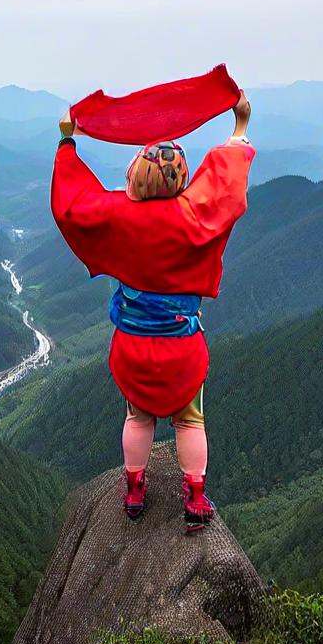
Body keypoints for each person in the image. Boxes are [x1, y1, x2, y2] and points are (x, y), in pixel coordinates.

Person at [54, 88, 252, 532]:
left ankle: (134, 490)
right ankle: (196, 499)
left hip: (134, 348)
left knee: (137, 416)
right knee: (190, 419)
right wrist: (239, 127)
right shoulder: (193, 217)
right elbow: (226, 189)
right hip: (182, 350)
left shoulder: (118, 216)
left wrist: (68, 140)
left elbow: (73, 205)